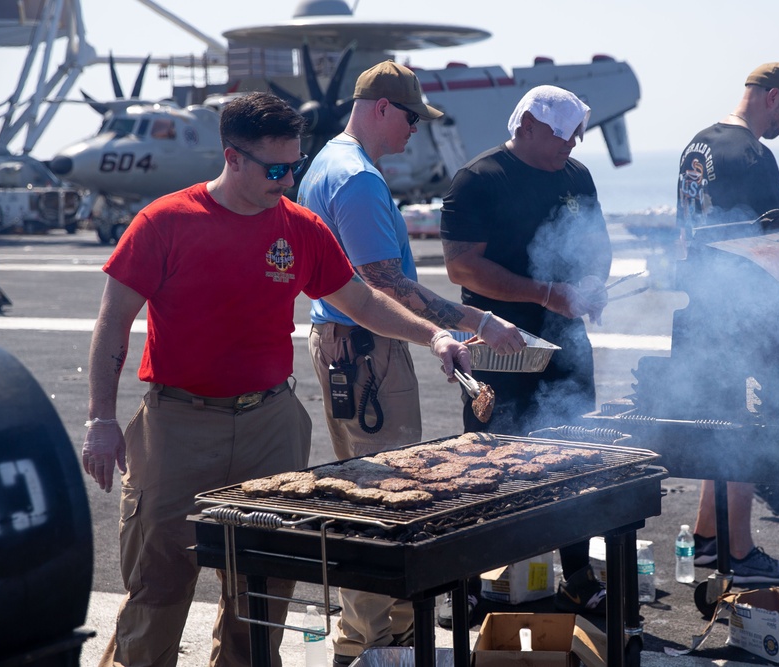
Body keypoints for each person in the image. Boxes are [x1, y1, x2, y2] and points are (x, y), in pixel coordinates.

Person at [81, 91, 471, 667]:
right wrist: (101, 419)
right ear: (232, 157)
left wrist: (433, 335)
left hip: (271, 422)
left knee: (262, 586)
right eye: (275, 168)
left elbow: (360, 302)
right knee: (159, 581)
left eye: (296, 166)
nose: (288, 180)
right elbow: (114, 321)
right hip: (176, 424)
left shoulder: (301, 228)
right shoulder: (164, 222)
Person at [297, 60, 525, 666]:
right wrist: (470, 322)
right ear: (380, 109)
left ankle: (383, 633)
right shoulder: (359, 180)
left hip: (344, 345)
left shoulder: (327, 161)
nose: (413, 133)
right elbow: (385, 284)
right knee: (386, 498)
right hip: (368, 352)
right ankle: (369, 644)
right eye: (410, 119)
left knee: (370, 490)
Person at [440, 85, 611, 617]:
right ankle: (466, 584)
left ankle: (579, 576)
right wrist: (544, 294)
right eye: (564, 134)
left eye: (578, 133)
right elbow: (462, 267)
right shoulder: (479, 179)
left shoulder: (576, 175)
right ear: (528, 127)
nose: (574, 144)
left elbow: (598, 245)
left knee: (571, 452)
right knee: (489, 459)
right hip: (498, 341)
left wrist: (593, 283)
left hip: (565, 339)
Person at [675, 62, 779, 582]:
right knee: (743, 430)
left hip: (701, 307)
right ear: (773, 97)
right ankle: (740, 550)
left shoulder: (698, 144)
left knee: (715, 424)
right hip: (741, 315)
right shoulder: (755, 155)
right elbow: (771, 244)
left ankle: (707, 539)